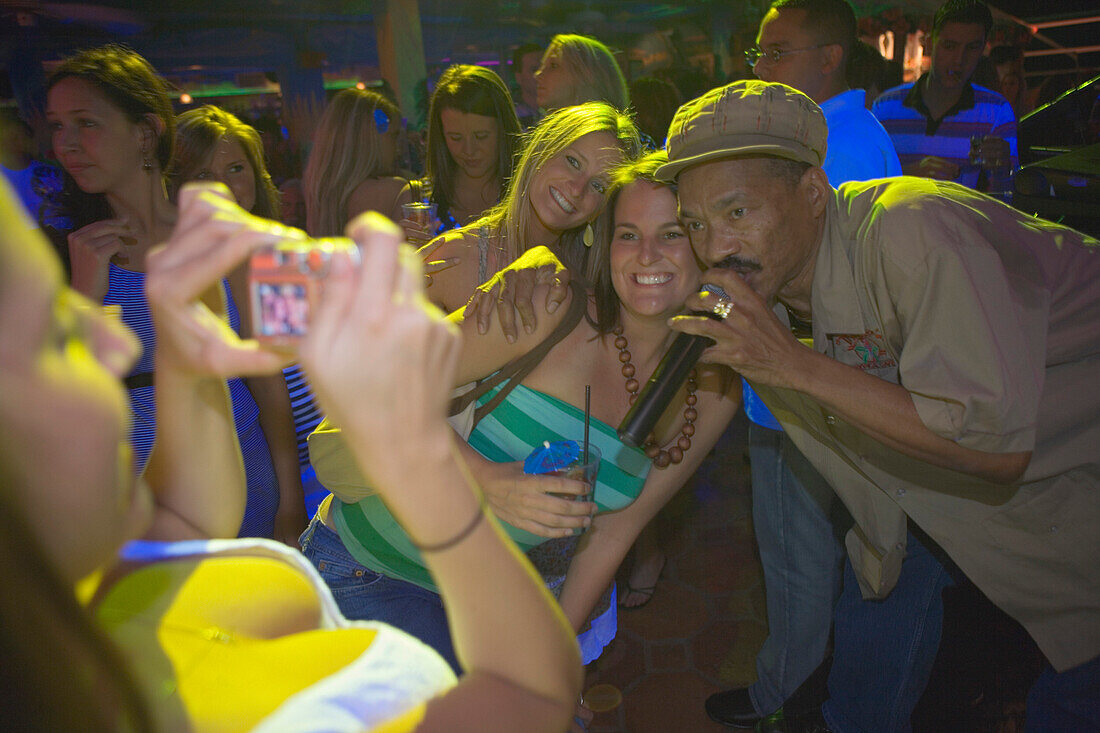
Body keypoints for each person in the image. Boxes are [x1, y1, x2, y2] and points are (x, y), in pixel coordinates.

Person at [0, 177, 583, 732]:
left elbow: (185, 520)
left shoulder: (62, 587)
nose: (120, 340)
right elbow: (531, 696)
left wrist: (192, 318)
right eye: (59, 335)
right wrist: (415, 450)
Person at [659, 78, 1100, 733]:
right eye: (695, 223)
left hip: (1065, 473)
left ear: (812, 192)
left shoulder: (914, 232)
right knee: (879, 609)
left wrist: (792, 364)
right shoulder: (770, 292)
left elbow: (994, 448)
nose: (714, 246)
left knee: (1069, 693)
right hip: (937, 489)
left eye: (737, 212)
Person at [304, 150, 742, 674]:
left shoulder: (710, 393)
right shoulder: (546, 304)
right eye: (628, 234)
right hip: (371, 570)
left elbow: (614, 532)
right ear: (606, 246)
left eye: (671, 234)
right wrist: (486, 479)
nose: (647, 255)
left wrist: (558, 662)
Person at [706, 1, 902, 727]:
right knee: (827, 553)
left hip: (804, 398)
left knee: (797, 558)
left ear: (828, 58)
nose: (761, 69)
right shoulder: (848, 130)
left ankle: (782, 695)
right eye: (758, 53)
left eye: (777, 52)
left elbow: (802, 281)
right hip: (829, 389)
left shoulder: (829, 144)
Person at [43, 44, 283, 538]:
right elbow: (57, 405)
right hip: (138, 497)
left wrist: (292, 504)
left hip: (244, 467)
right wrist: (86, 294)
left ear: (146, 132)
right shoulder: (55, 253)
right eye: (57, 126)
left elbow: (268, 378)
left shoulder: (216, 233)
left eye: (85, 123)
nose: (66, 144)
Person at [168, 104, 308, 544]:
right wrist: (290, 501)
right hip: (275, 467)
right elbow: (268, 390)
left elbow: (294, 363)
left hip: (319, 452)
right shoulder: (193, 266)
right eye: (204, 175)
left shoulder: (272, 251)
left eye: (235, 168)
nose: (225, 187)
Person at [418, 101, 639, 316]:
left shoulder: (598, 282)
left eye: (598, 186)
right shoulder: (450, 259)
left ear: (601, 210)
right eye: (573, 162)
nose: (576, 189)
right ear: (541, 151)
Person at [871, 0, 1017, 192]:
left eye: (972, 48)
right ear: (931, 43)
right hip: (896, 220)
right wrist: (908, 177)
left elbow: (1008, 200)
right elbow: (866, 184)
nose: (959, 59)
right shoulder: (886, 107)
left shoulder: (996, 111)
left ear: (982, 50)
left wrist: (1003, 168)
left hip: (962, 221)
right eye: (949, 46)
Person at [417, 64, 521, 236]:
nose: (469, 150)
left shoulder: (530, 195)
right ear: (441, 136)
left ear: (504, 130)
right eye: (455, 138)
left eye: (481, 136)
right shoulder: (418, 202)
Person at [302, 88, 411, 236]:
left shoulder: (320, 193)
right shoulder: (395, 190)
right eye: (394, 135)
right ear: (372, 140)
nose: (397, 146)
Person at [535, 34, 630, 113]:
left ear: (588, 75)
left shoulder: (609, 134)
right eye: (541, 66)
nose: (538, 74)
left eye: (553, 66)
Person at [512, 42, 544, 129]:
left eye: (544, 68)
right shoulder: (511, 115)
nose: (541, 74)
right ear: (518, 77)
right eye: (534, 70)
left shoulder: (561, 108)